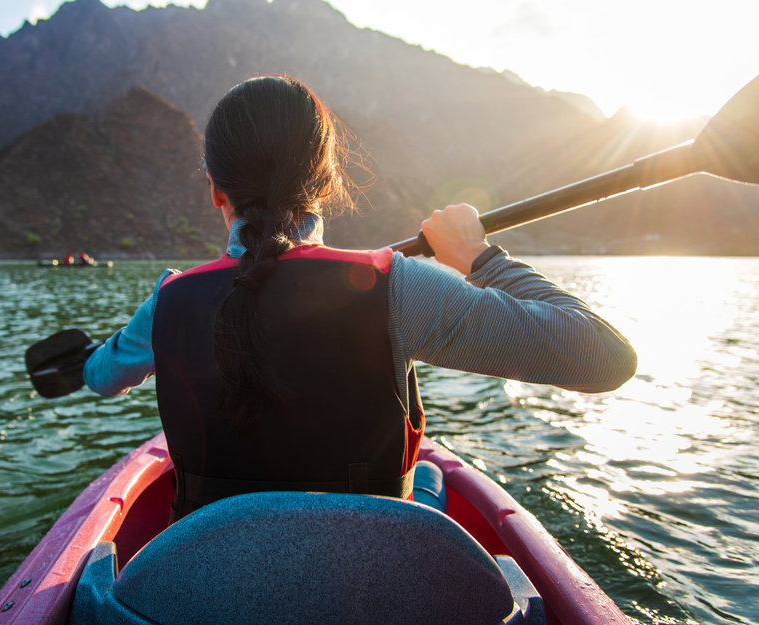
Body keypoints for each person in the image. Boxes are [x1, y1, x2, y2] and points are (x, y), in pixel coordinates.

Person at [83, 75, 637, 522]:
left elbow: (103, 376)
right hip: (369, 582)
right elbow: (605, 359)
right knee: (430, 478)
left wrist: (91, 356)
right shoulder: (397, 285)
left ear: (215, 191)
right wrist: (479, 258)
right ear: (324, 183)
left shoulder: (170, 301)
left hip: (206, 580)